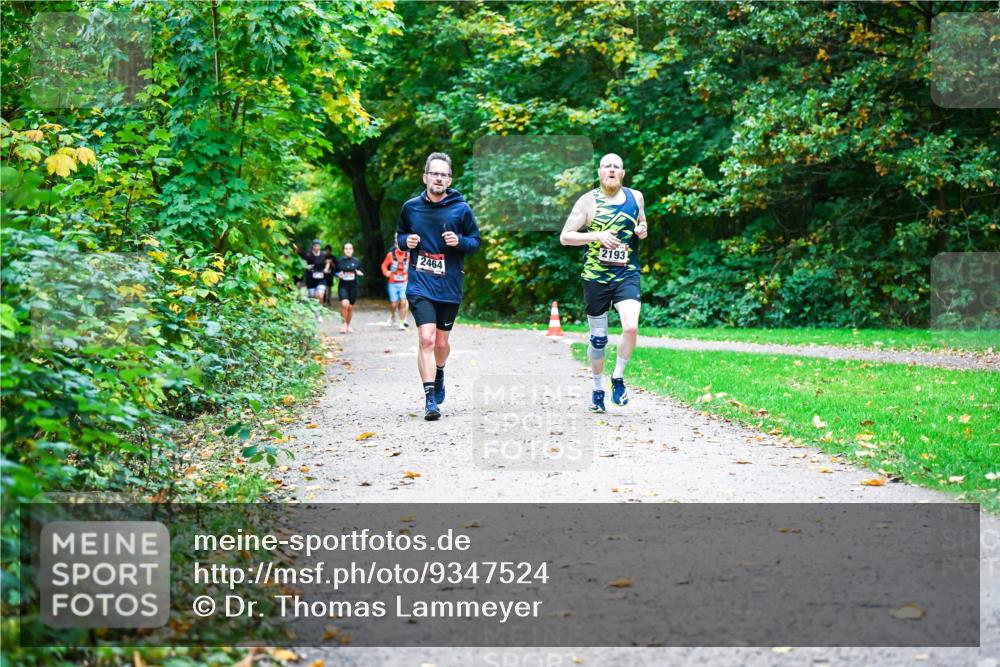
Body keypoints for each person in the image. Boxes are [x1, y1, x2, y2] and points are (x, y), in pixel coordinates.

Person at [559, 153, 648, 413]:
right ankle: (597, 389)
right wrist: (596, 236)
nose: (611, 170)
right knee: (598, 340)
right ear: (599, 172)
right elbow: (566, 237)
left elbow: (642, 223)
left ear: (623, 173)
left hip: (626, 274)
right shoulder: (587, 202)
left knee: (630, 327)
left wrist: (642, 230)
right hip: (596, 278)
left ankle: (617, 378)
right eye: (606, 166)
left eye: (616, 166)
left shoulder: (636, 197)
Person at [396, 152, 481, 421]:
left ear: (449, 179)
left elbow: (475, 242)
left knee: (442, 343)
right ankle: (430, 400)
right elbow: (400, 235)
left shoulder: (461, 209)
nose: (439, 178)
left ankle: (440, 370)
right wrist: (406, 240)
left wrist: (459, 241)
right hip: (420, 283)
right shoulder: (410, 207)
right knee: (426, 338)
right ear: (425, 177)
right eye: (435, 173)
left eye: (444, 174)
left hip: (449, 284)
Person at [335, 242, 364, 334]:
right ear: (344, 250)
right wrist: (337, 274)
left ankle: (348, 325)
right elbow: (334, 272)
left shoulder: (357, 261)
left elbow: (361, 271)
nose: (348, 250)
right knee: (344, 304)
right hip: (343, 286)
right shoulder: (340, 261)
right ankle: (343, 325)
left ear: (353, 250)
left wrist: (359, 273)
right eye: (346, 248)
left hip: (353, 287)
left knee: (350, 307)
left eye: (350, 248)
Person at [382, 240, 410, 330]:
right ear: (395, 245)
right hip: (393, 283)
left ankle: (401, 323)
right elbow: (383, 266)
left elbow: (413, 267)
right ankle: (392, 316)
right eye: (399, 244)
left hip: (404, 282)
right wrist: (386, 272)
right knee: (394, 304)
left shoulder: (408, 256)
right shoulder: (391, 255)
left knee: (403, 301)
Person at [296, 240, 330, 305]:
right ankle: (316, 313)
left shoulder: (323, 255)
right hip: (311, 279)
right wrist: (306, 266)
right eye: (315, 246)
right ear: (313, 247)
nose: (317, 247)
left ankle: (321, 310)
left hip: (321, 279)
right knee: (314, 298)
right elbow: (303, 263)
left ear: (320, 246)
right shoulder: (308, 255)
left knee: (320, 295)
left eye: (318, 246)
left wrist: (326, 268)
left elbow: (327, 263)